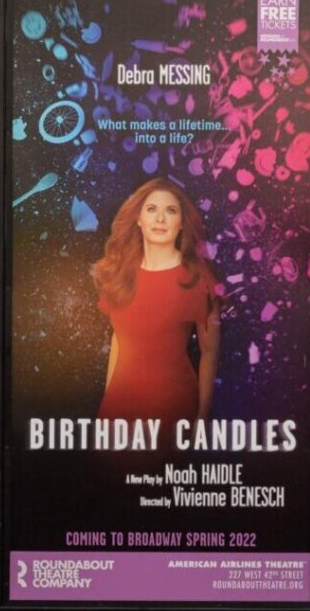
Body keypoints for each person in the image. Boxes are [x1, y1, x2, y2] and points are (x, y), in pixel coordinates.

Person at [92, 176, 221, 426]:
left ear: (181, 222)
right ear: (139, 219)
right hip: (117, 409)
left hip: (172, 410)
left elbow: (210, 352)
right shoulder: (120, 273)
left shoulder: (199, 279)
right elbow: (119, 339)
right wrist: (107, 404)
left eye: (170, 211)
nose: (160, 218)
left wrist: (202, 419)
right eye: (152, 210)